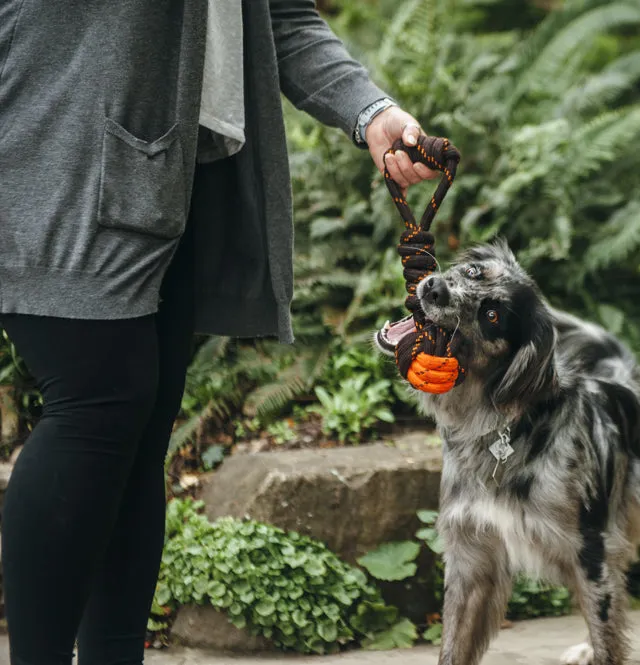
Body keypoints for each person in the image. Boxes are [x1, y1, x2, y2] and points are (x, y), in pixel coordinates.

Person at [0, 2, 437, 663]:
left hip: (165, 176)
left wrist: (369, 110)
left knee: (138, 434)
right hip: (53, 153)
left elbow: (278, 16)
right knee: (100, 406)